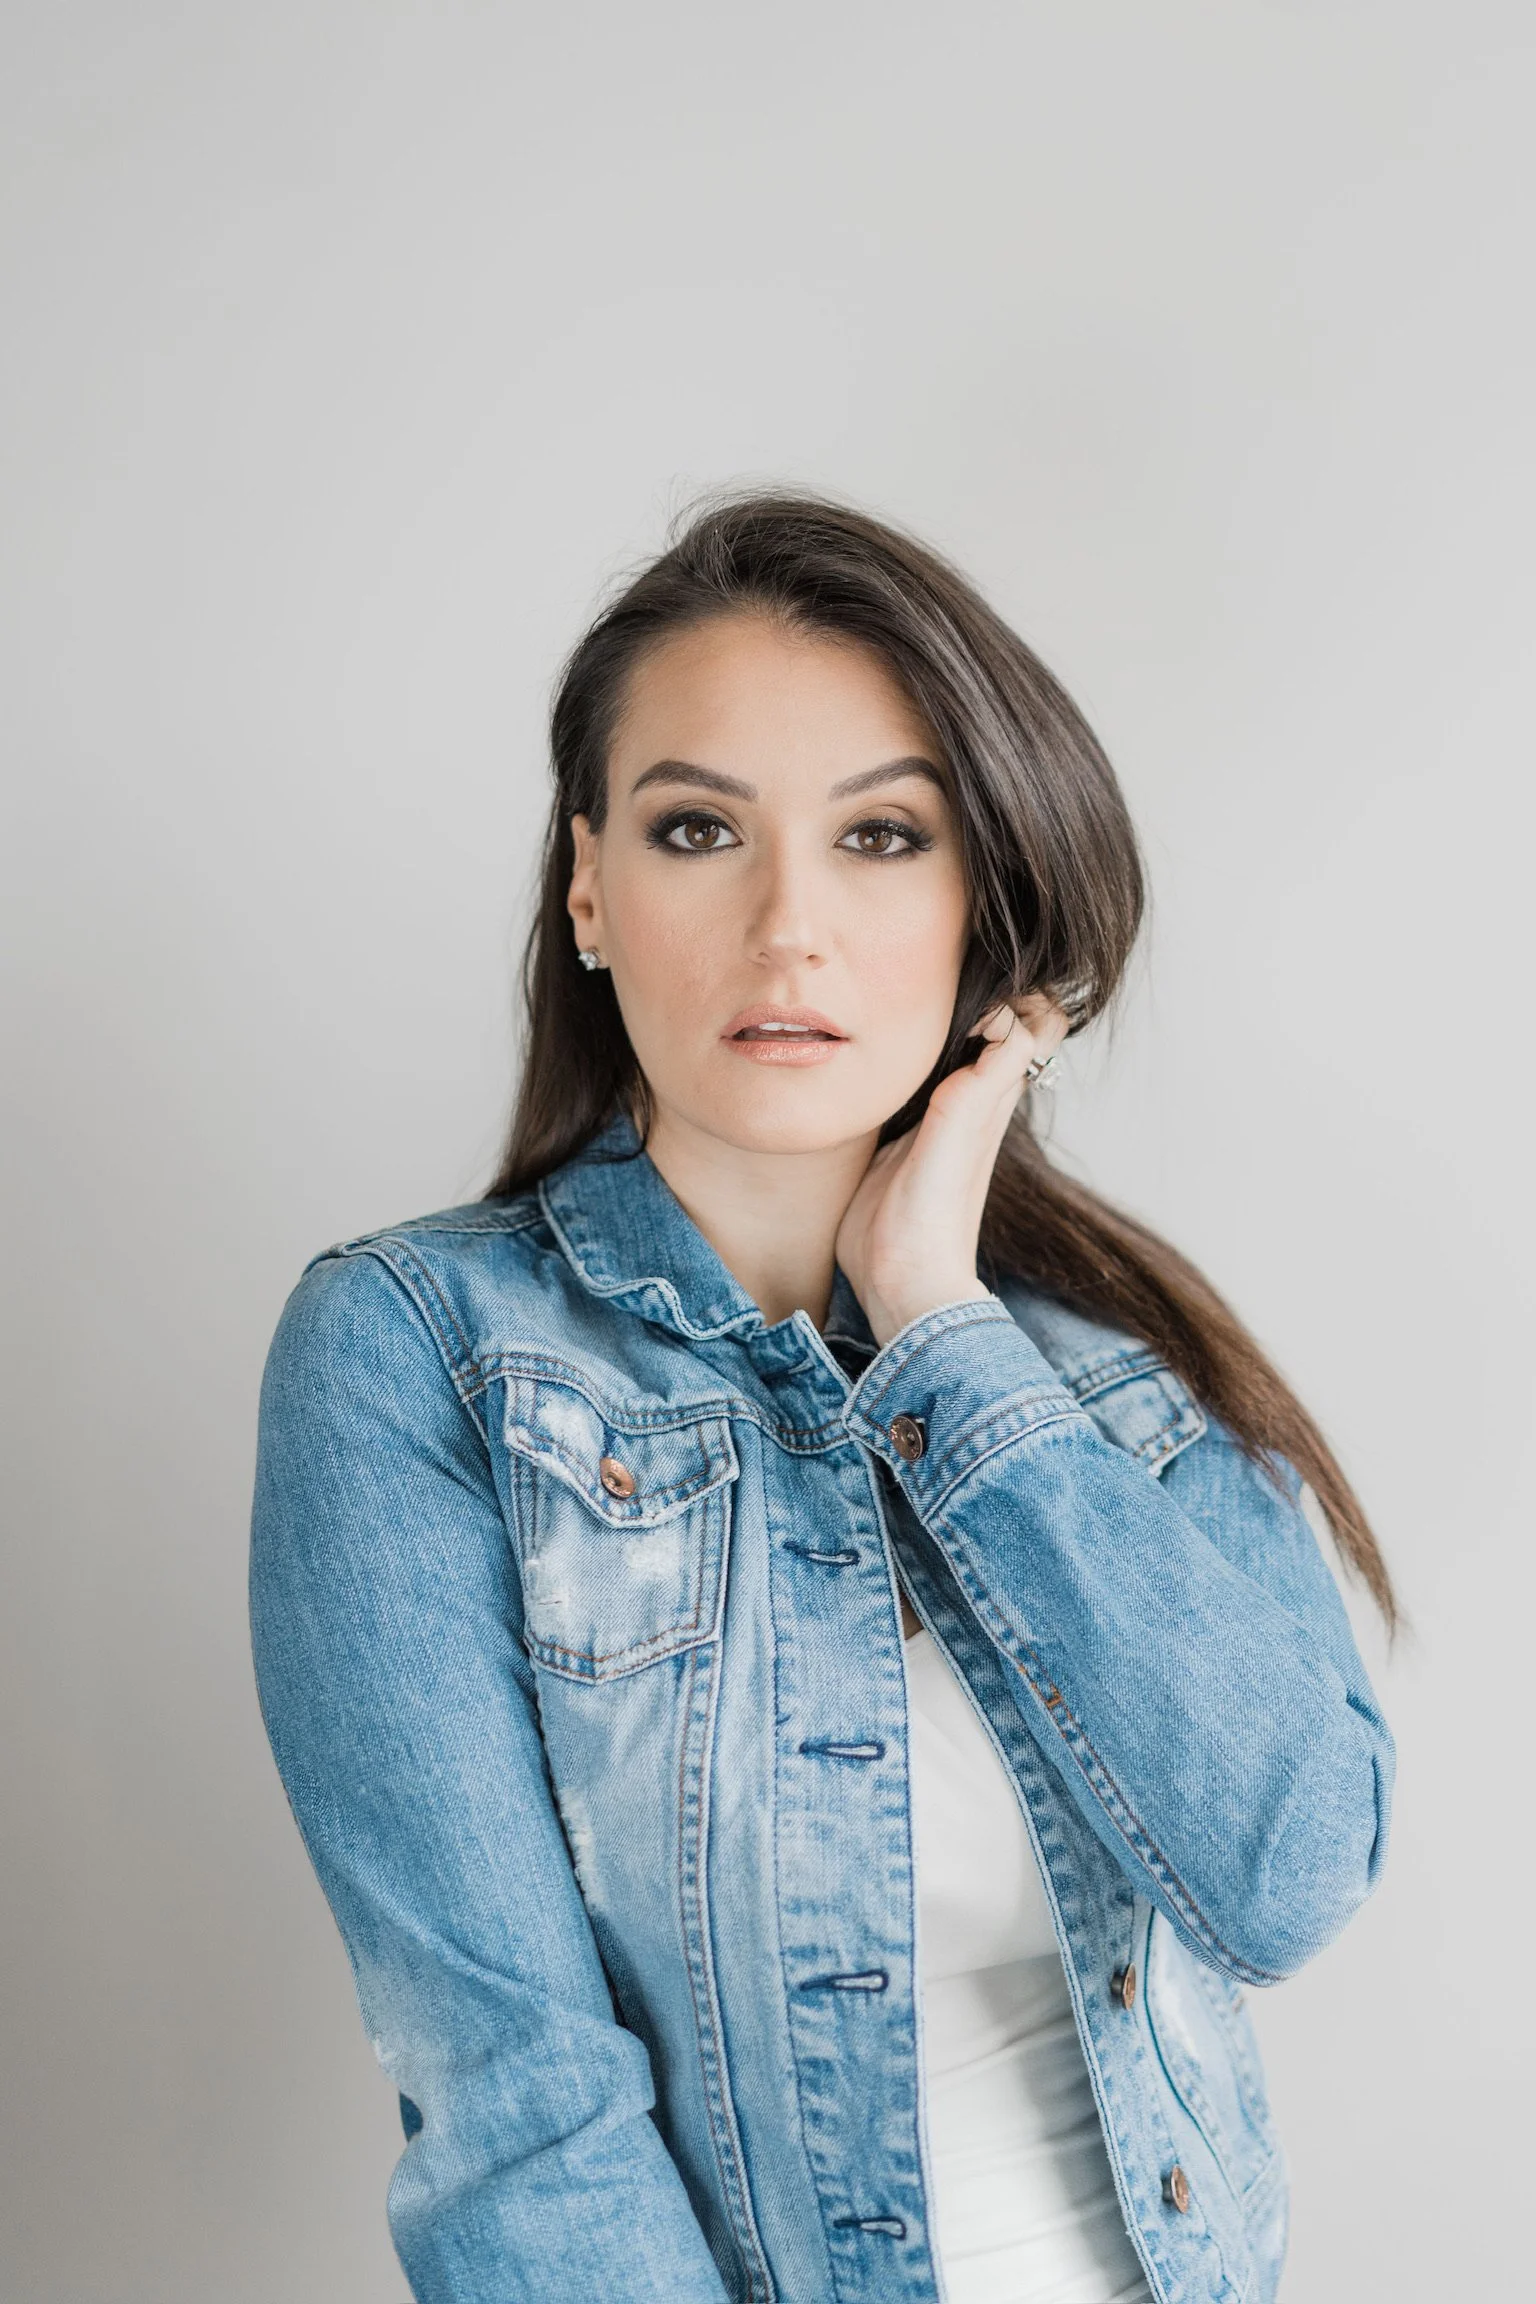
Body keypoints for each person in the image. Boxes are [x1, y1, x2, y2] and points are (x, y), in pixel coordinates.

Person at [250, 493, 1395, 2304]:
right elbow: (517, 2109)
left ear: (980, 903)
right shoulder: (414, 1354)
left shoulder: (1103, 1370)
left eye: (881, 836)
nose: (790, 927)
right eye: (698, 829)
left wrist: (937, 1320)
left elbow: (1289, 1875)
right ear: (589, 888)